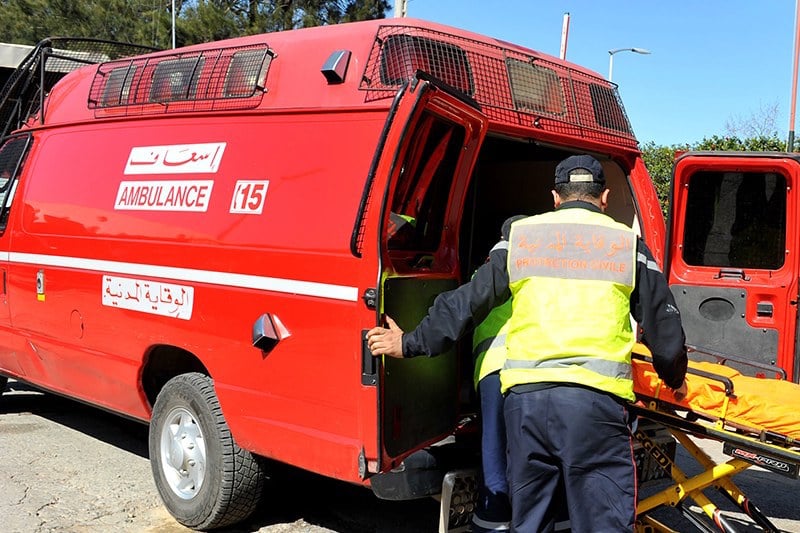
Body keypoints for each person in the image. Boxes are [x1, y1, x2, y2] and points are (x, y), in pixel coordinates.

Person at [366, 154, 688, 532]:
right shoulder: (626, 244)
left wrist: (410, 342)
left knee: (530, 521)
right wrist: (674, 379)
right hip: (593, 407)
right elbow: (665, 330)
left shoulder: (522, 238)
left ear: (555, 197)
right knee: (603, 522)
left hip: (526, 406)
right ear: (604, 197)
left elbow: (469, 301)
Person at [469, 215, 522, 533]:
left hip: (493, 369)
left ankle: (493, 518)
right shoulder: (540, 271)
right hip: (531, 369)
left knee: (494, 444)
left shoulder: (484, 272)